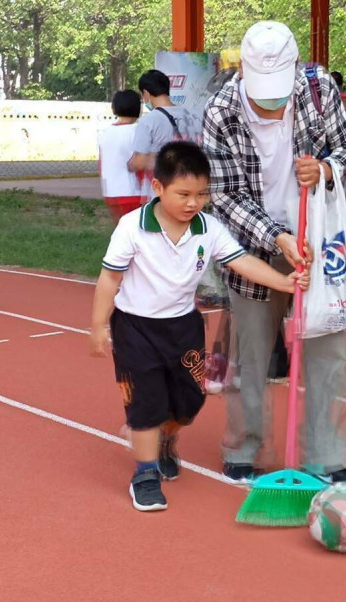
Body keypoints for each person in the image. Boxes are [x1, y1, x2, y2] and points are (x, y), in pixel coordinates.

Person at [90, 141, 309, 512]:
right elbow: (109, 279)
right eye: (184, 194)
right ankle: (145, 474)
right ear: (157, 188)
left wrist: (283, 282)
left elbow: (241, 262)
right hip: (135, 327)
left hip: (183, 327)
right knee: (145, 403)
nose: (193, 202)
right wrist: (98, 325)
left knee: (189, 402)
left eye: (202, 194)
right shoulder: (132, 227)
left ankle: (165, 439)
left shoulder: (208, 228)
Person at [202, 21, 346, 487]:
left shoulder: (318, 91)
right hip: (256, 249)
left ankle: (328, 456)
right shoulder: (221, 112)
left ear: (295, 67)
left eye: (278, 90)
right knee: (251, 355)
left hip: (317, 243)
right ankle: (245, 448)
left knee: (325, 353)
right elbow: (227, 196)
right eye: (261, 91)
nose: (270, 101)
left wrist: (326, 169)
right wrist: (277, 237)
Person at [127, 70, 181, 185]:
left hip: (162, 189)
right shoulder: (193, 116)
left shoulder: (148, 121)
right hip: (190, 186)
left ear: (146, 93)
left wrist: (130, 164)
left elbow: (139, 162)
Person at [98, 90, 144, 222]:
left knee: (121, 232)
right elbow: (140, 163)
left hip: (111, 192)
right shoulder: (137, 131)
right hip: (133, 192)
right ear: (138, 108)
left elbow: (101, 164)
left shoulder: (105, 133)